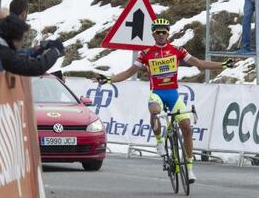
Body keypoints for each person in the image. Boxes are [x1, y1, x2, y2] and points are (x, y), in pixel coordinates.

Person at [97, 18, 234, 183]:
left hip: (173, 95)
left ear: (168, 33)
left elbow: (199, 64)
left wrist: (224, 65)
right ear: (153, 34)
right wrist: (110, 79)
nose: (161, 34)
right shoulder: (146, 53)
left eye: (164, 31)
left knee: (187, 128)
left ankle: (189, 169)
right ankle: (160, 142)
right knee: (154, 112)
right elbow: (128, 72)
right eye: (158, 32)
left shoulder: (177, 50)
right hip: (157, 94)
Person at [0, 15, 64, 76]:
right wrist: (56, 50)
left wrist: (38, 52)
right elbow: (34, 67)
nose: (24, 42)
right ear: (15, 39)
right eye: (24, 38)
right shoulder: (4, 54)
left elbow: (23, 60)